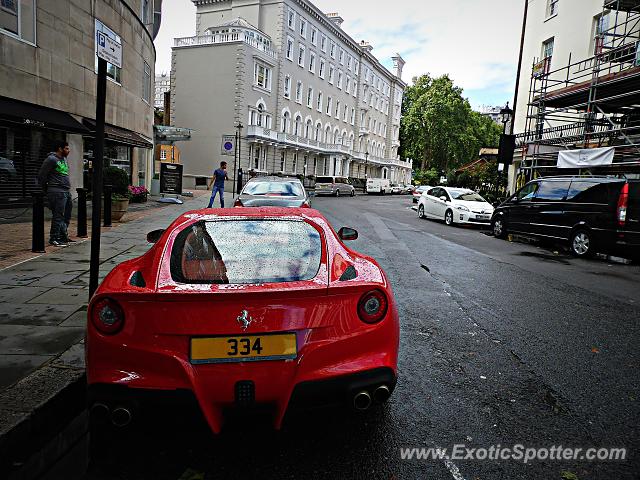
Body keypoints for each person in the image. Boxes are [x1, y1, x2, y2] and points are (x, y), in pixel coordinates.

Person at [38, 141, 73, 247]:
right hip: (57, 192)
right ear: (60, 149)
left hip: (66, 191)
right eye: (66, 148)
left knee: (66, 216)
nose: (69, 150)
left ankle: (63, 236)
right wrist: (46, 190)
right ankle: (54, 238)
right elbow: (41, 176)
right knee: (58, 216)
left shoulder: (64, 159)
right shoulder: (51, 159)